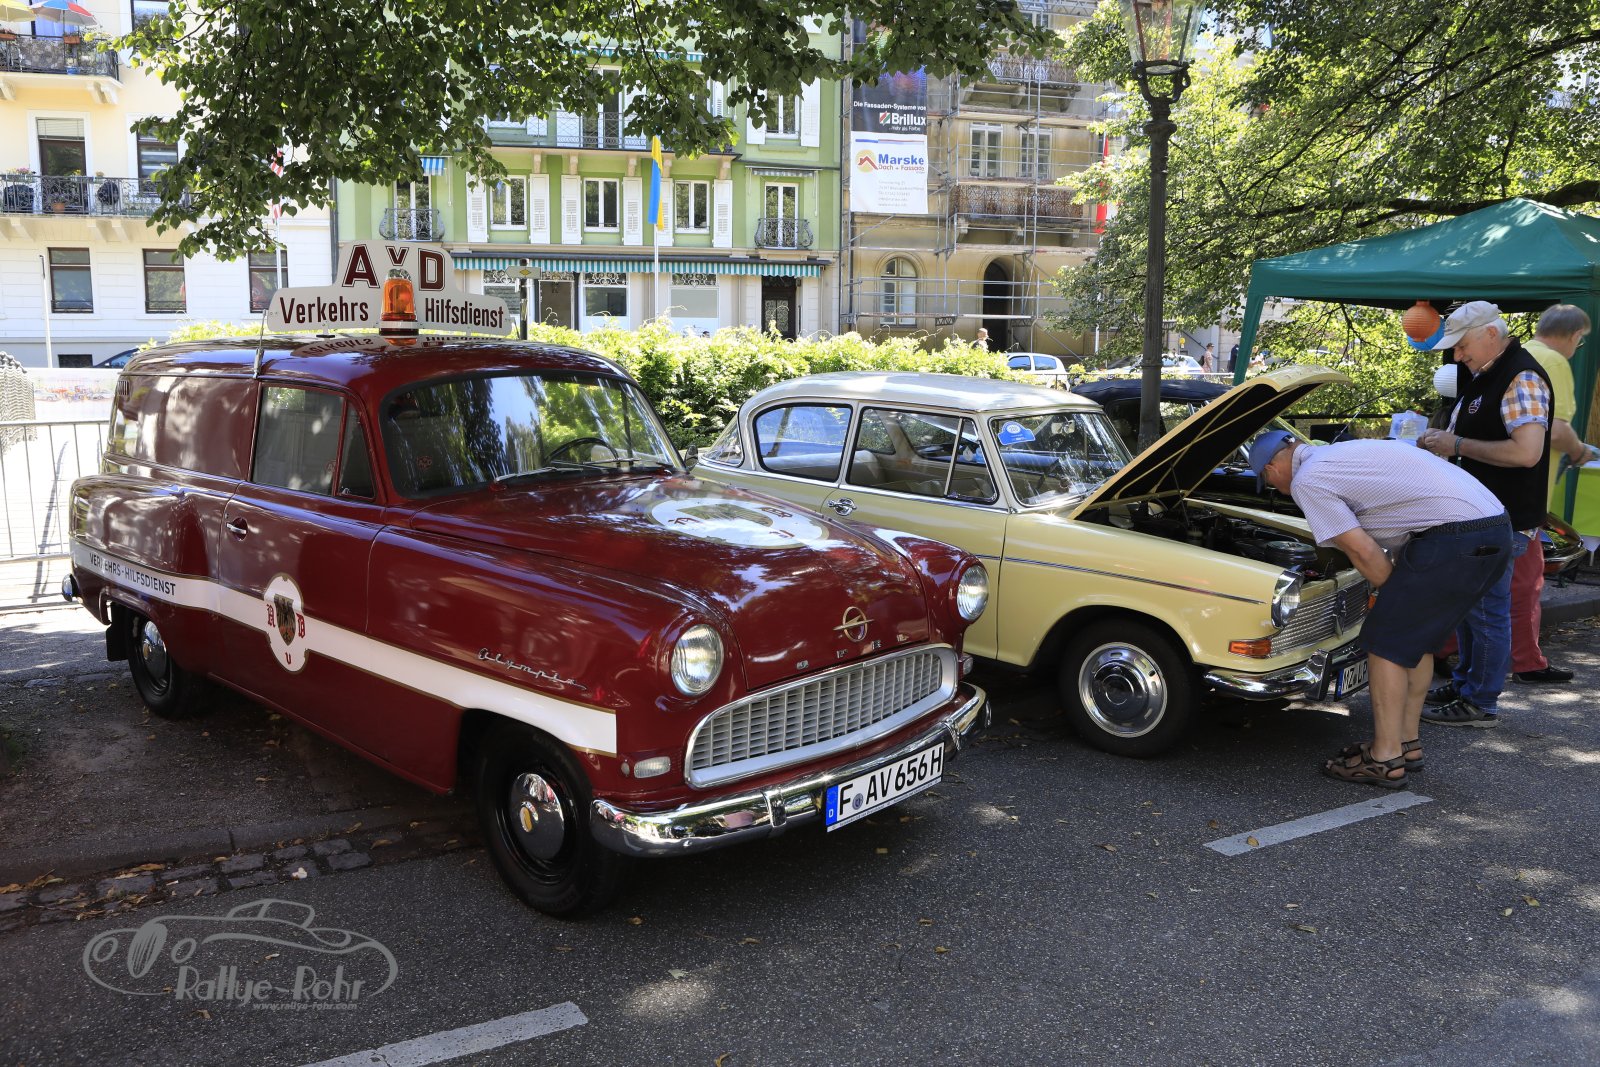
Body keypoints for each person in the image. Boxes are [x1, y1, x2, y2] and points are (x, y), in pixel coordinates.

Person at [1249, 431, 1511, 787]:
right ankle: (1407, 743)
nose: (1277, 489)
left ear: (1271, 467)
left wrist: (1393, 601)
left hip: (1454, 538)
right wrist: (1403, 605)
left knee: (1386, 642)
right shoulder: (1342, 454)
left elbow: (1363, 551)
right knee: (1415, 640)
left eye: (1268, 482)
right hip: (1496, 529)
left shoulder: (1307, 480)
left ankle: (1384, 758)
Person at [1416, 301, 1553, 725]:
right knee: (1472, 606)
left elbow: (1527, 453)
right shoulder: (1491, 372)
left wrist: (1455, 445)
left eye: (1462, 346)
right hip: (1483, 515)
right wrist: (1444, 440)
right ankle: (1467, 684)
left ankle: (1481, 700)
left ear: (1491, 334)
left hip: (1502, 517)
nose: (1457, 356)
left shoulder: (1521, 375)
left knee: (1487, 610)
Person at [1501, 304, 1592, 682]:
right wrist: (1579, 451)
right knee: (1526, 582)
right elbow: (1555, 429)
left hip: (1499, 490)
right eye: (1581, 341)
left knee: (1488, 579)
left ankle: (1449, 649)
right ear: (1574, 335)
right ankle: (1526, 662)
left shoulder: (1517, 355)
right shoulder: (1553, 361)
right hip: (1527, 496)